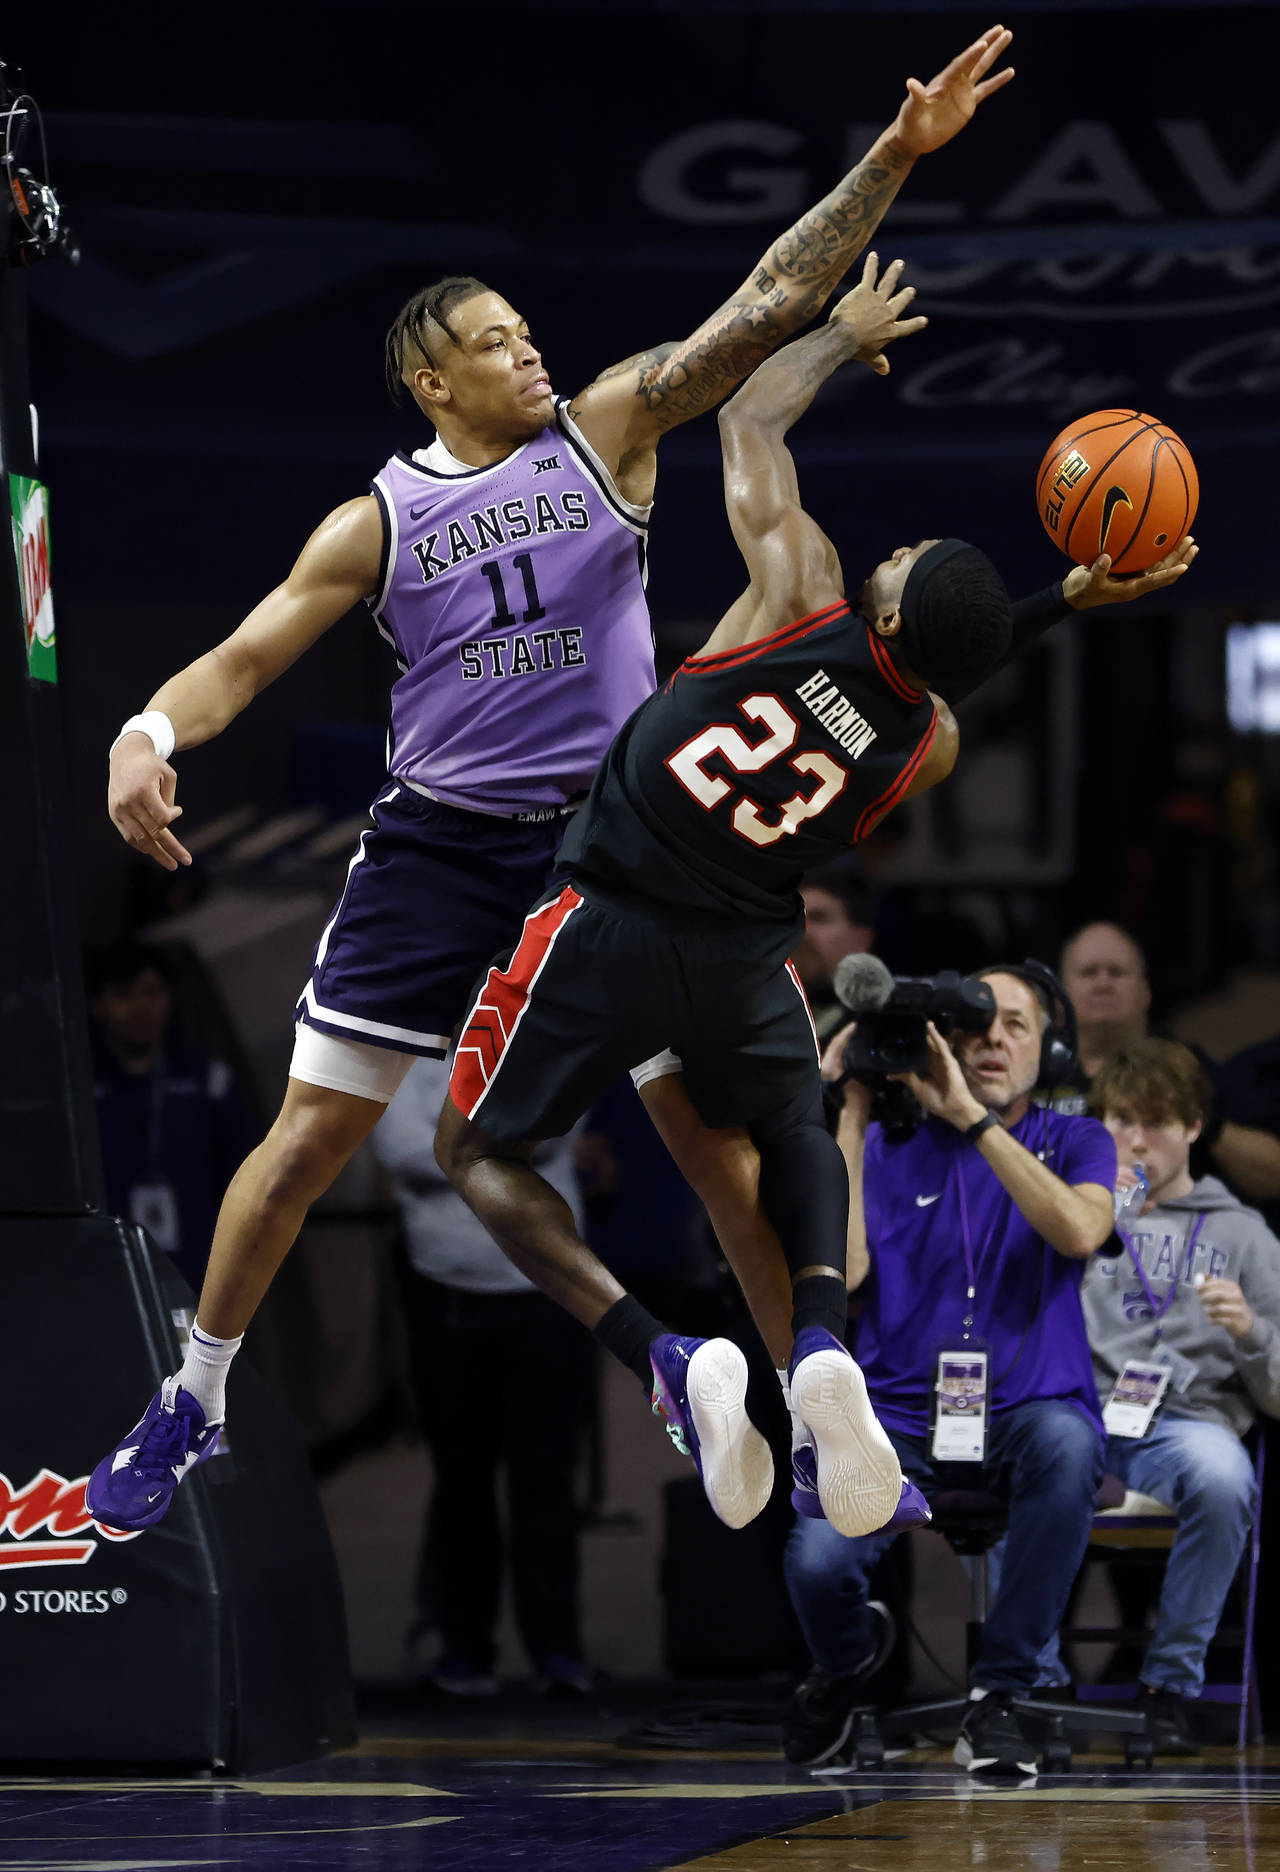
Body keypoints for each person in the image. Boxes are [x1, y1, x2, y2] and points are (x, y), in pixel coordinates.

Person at [88, 24, 1024, 1533]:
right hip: (434, 849)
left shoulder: (606, 433)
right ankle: (188, 1401)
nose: (533, 350)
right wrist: (147, 729)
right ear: (427, 374)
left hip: (605, 849)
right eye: (501, 340)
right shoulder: (373, 521)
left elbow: (762, 306)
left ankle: (815, 1430)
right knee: (307, 1141)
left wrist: (893, 159)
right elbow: (243, 661)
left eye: (533, 333)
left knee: (713, 1156)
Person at [434, 256, 1194, 1552]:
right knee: (775, 1152)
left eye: (906, 559)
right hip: (740, 952)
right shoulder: (929, 746)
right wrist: (1065, 594)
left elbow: (749, 418)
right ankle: (822, 1355)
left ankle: (661, 1354)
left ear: (877, 601)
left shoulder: (798, 587)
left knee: (478, 1158)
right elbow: (958, 655)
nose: (896, 549)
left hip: (610, 911)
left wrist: (836, 335)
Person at [783, 965, 1117, 1776]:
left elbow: (1078, 1231)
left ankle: (1001, 1692)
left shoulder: (1077, 1140)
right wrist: (854, 1108)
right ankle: (844, 1666)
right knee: (818, 1562)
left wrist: (973, 1123)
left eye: (1017, 1026)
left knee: (1069, 1448)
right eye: (978, 1024)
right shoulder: (887, 1145)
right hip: (894, 1411)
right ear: (944, 1042)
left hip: (1030, 1406)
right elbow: (847, 1272)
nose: (995, 1040)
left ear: (1052, 1049)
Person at [1079, 1039, 1280, 1749]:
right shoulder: (1078, 1223)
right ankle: (1026, 1685)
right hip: (1083, 1418)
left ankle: (1171, 1686)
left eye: (1157, 1122)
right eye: (1121, 1121)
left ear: (1194, 1126)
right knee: (1028, 1458)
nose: (1137, 1140)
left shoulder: (1246, 1234)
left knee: (1226, 1478)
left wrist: (1253, 1330)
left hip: (1186, 1425)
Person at [371, 1057, 595, 1696]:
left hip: (548, 1287)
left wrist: (462, 1148)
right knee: (461, 1480)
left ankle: (558, 1652)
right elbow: (405, 1152)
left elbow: (556, 1131)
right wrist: (502, 1146)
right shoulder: (408, 1057)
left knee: (547, 1478)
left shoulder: (534, 1038)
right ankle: (466, 1651)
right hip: (443, 1290)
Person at [87, 940, 258, 1294]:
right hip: (105, 1275)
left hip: (197, 1274)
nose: (140, 1007)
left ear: (169, 998)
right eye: (124, 995)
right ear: (98, 1006)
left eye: (151, 992)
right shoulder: (82, 1089)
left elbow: (242, 1178)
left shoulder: (207, 1081)